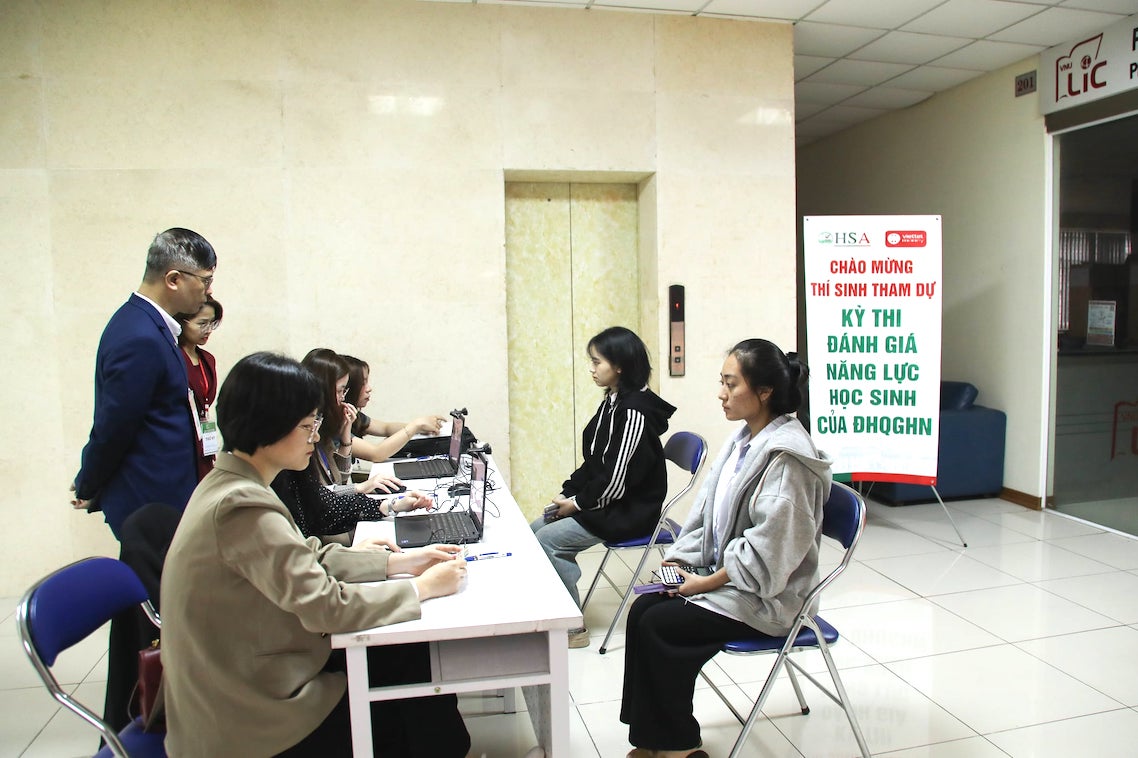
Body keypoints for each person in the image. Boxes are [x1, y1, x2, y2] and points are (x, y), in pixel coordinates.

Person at [160, 352, 471, 758]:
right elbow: (327, 606)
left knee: (407, 658)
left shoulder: (234, 485)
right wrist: (419, 589)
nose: (313, 438)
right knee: (405, 688)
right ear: (269, 428)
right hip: (250, 714)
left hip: (250, 679)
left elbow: (307, 555)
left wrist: (398, 562)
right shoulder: (241, 508)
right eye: (308, 427)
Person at [619, 338, 833, 758]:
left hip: (771, 596)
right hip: (733, 577)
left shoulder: (789, 460)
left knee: (662, 624)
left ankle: (679, 746)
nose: (721, 393)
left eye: (730, 384)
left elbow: (767, 557)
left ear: (764, 392)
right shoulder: (743, 441)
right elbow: (705, 516)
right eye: (722, 382)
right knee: (643, 609)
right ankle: (651, 739)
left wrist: (702, 584)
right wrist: (679, 562)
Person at [530, 326, 676, 648]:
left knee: (549, 542)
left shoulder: (634, 410)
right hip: (607, 502)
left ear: (619, 366)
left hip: (629, 510)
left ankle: (571, 628)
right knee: (535, 530)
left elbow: (617, 478)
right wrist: (569, 493)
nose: (591, 368)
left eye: (597, 362)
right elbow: (597, 461)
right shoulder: (612, 402)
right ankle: (552, 610)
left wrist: (579, 504)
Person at [72, 228, 217, 538]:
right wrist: (89, 480)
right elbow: (114, 425)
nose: (208, 292)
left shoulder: (154, 327)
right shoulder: (140, 336)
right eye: (205, 281)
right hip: (150, 501)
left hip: (167, 495)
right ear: (174, 279)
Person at [271, 349, 429, 544]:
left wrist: (391, 505)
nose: (343, 397)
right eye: (340, 390)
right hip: (330, 538)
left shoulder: (328, 426)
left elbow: (334, 487)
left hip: (331, 530)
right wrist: (416, 426)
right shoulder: (273, 480)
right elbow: (374, 456)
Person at [341, 354, 448, 462]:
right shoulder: (337, 426)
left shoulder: (351, 414)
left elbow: (385, 428)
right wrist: (415, 425)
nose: (369, 389)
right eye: (363, 383)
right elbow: (375, 454)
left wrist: (422, 427)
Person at [178, 297, 223, 481]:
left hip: (204, 439)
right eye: (202, 323)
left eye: (212, 324)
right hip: (181, 444)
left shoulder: (207, 359)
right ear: (182, 321)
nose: (208, 330)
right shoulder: (173, 356)